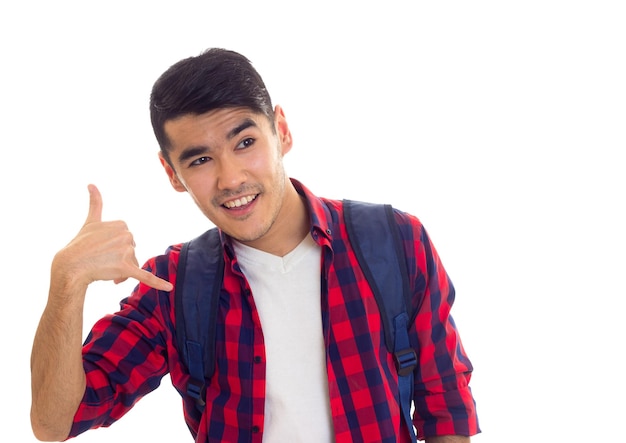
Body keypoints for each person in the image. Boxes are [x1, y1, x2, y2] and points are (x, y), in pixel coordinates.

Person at [30, 48, 480, 443]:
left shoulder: (394, 240)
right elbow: (55, 423)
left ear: (280, 131)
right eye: (201, 159)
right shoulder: (174, 284)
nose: (231, 179)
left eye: (245, 143)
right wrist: (66, 283)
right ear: (172, 174)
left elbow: (446, 404)